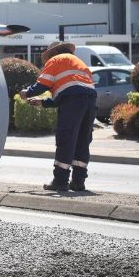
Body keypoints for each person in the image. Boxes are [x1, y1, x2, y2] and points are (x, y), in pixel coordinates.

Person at [19, 41, 97, 192]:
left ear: (52, 53)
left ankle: (60, 181)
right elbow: (67, 93)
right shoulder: (78, 62)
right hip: (90, 101)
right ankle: (78, 181)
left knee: (66, 138)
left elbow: (43, 84)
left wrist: (27, 93)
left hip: (73, 102)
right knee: (82, 140)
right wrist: (43, 102)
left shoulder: (56, 60)